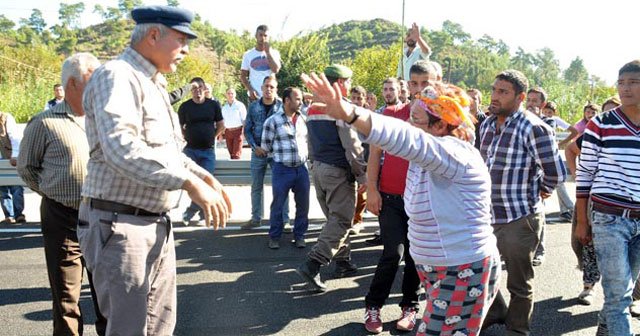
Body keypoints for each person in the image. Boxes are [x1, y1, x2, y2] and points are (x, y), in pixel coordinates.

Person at [302, 73, 501, 336]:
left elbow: (405, 138)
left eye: (415, 120)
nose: (408, 123)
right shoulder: (429, 157)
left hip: (460, 269)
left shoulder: (455, 154)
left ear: (440, 126)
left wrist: (350, 113)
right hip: (438, 269)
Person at [77, 6, 232, 335]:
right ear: (152, 35)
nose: (187, 49)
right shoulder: (116, 77)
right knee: (129, 330)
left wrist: (202, 176)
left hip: (152, 223)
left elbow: (170, 152)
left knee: (160, 327)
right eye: (181, 39)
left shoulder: (153, 84)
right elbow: (123, 149)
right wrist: (188, 183)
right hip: (121, 225)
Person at [17, 52, 106, 336]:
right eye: (94, 81)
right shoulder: (44, 123)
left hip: (103, 216)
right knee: (66, 297)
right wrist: (55, 191)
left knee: (107, 295)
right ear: (72, 85)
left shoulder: (106, 120)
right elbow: (27, 168)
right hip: (62, 217)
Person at [480, 70, 566, 335]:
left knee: (519, 283)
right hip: (485, 217)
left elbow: (556, 172)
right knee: (483, 274)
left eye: (502, 92)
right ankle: (495, 312)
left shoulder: (534, 127)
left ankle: (517, 330)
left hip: (519, 217)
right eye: (494, 90)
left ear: (520, 97)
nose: (495, 96)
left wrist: (539, 193)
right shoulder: (486, 124)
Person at [360, 60, 438, 334]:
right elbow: (375, 154)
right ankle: (373, 306)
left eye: (425, 83)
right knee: (392, 253)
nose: (419, 90)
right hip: (391, 197)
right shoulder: (392, 113)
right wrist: (372, 188)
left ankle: (410, 307)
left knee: (417, 256)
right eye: (414, 83)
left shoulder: (444, 121)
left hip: (425, 201)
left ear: (437, 83)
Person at [575, 60, 640, 336]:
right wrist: (581, 222)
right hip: (609, 218)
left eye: (633, 82)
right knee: (619, 294)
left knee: (626, 289)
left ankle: (606, 328)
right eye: (621, 82)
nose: (625, 88)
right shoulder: (600, 124)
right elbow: (585, 174)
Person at [295, 64, 367, 292]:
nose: (348, 86)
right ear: (340, 83)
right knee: (343, 220)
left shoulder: (314, 108)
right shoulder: (342, 108)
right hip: (337, 171)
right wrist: (362, 175)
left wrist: (314, 165)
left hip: (319, 169)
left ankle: (343, 261)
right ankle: (313, 264)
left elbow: (310, 143)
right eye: (347, 81)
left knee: (333, 218)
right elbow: (352, 147)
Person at [261, 87, 310, 249]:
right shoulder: (273, 121)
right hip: (282, 169)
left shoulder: (304, 119)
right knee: (278, 204)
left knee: (303, 204)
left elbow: (308, 142)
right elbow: (266, 146)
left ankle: (300, 235)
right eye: (297, 99)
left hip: (301, 169)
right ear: (287, 100)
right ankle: (274, 236)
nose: (300, 102)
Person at [241, 75, 290, 230]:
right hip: (258, 152)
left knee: (281, 187)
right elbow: (247, 130)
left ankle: (284, 219)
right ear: (261, 88)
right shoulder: (254, 107)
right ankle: (256, 218)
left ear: (276, 90)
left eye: (272, 87)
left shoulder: (283, 107)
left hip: (278, 154)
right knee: (256, 186)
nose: (268, 89)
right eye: (266, 86)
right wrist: (255, 147)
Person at [178, 77, 225, 225]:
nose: (197, 91)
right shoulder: (185, 107)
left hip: (207, 151)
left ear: (204, 89)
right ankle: (201, 212)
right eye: (194, 89)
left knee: (206, 183)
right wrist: (186, 137)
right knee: (191, 182)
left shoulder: (213, 105)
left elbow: (221, 125)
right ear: (191, 91)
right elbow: (179, 127)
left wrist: (212, 136)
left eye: (200, 88)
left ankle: (191, 211)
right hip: (190, 151)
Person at [526, 86, 557, 266]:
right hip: (522, 182)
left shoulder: (546, 125)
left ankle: (540, 250)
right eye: (528, 100)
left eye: (535, 101)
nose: (530, 104)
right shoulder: (519, 121)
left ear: (542, 104)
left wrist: (546, 187)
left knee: (540, 217)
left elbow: (550, 163)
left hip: (538, 181)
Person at [240, 25, 281, 101]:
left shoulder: (274, 53)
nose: (263, 38)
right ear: (256, 36)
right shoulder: (248, 55)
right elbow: (243, 76)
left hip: (271, 96)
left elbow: (275, 70)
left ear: (269, 37)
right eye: (260, 35)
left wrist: (268, 52)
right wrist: (250, 90)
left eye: (265, 35)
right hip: (255, 97)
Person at [349, 85, 368, 235]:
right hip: (348, 159)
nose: (356, 101)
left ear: (364, 100)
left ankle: (357, 220)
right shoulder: (345, 114)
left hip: (364, 159)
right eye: (353, 98)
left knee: (362, 192)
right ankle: (344, 220)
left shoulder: (368, 116)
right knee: (346, 193)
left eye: (359, 98)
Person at [0, 110, 24, 224]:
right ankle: (8, 215)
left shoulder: (6, 117)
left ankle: (19, 214)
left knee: (16, 187)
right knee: (2, 190)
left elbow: (15, 138)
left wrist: (15, 155)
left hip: (10, 157)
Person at [221, 87, 247, 159]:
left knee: (236, 154)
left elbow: (244, 120)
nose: (230, 95)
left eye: (232, 93)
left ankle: (238, 170)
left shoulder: (240, 105)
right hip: (228, 132)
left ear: (235, 94)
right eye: (228, 93)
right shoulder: (224, 107)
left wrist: (245, 132)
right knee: (231, 153)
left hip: (238, 131)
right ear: (226, 95)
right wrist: (220, 134)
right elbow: (222, 121)